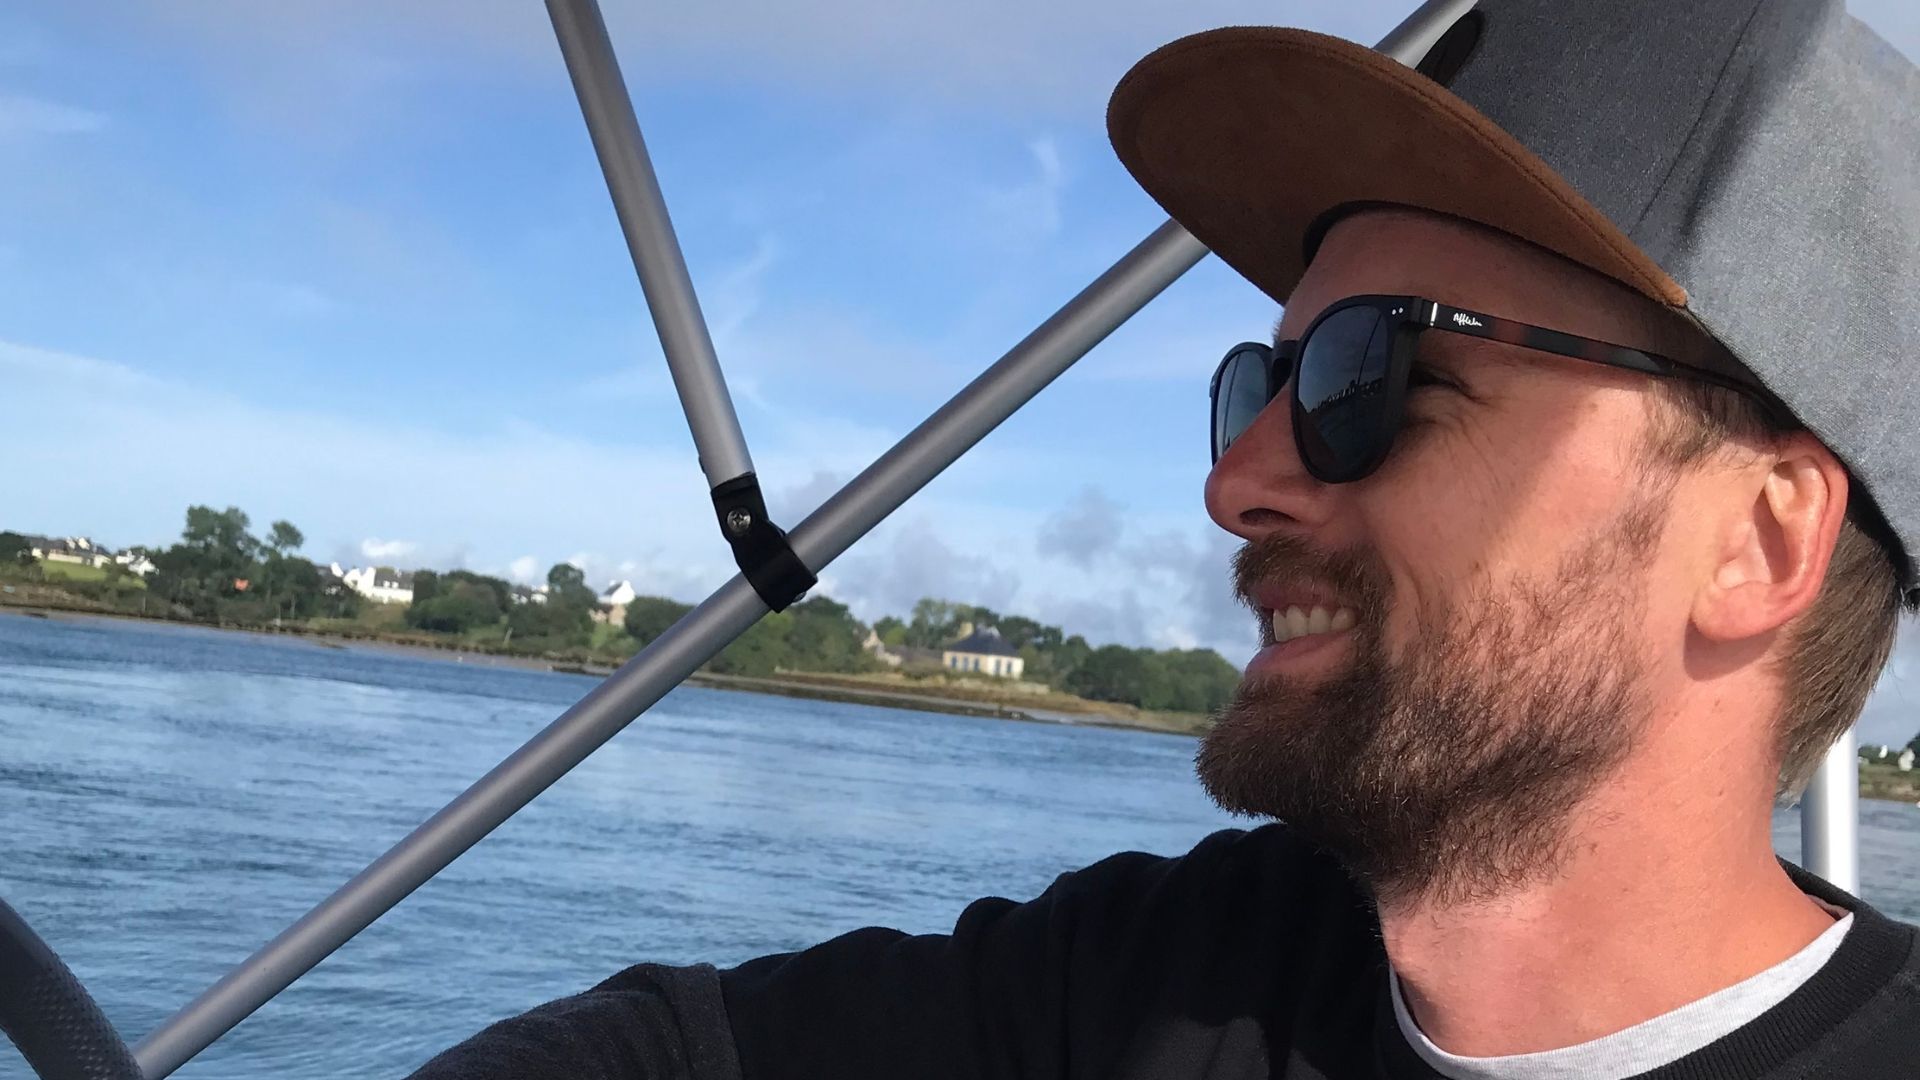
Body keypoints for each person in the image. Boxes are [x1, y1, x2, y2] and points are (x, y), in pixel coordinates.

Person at [410, 0, 1920, 1076]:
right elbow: (674, 1050)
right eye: (1258, 382)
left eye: (1370, 378)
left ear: (1758, 542)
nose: (1240, 479)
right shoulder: (1183, 968)